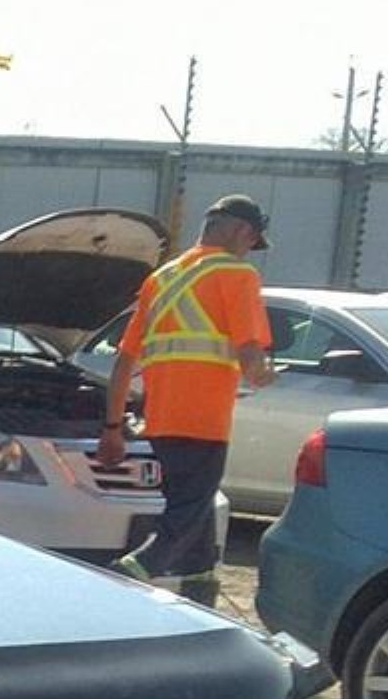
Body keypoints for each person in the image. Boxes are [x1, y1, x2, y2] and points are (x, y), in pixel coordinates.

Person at [97, 196, 276, 602]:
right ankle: (119, 581)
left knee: (196, 517)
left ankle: (199, 596)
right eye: (252, 240)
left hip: (161, 421)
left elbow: (125, 362)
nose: (250, 248)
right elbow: (250, 355)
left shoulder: (162, 278)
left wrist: (112, 428)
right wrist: (263, 374)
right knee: (182, 520)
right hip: (205, 421)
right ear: (241, 230)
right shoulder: (238, 275)